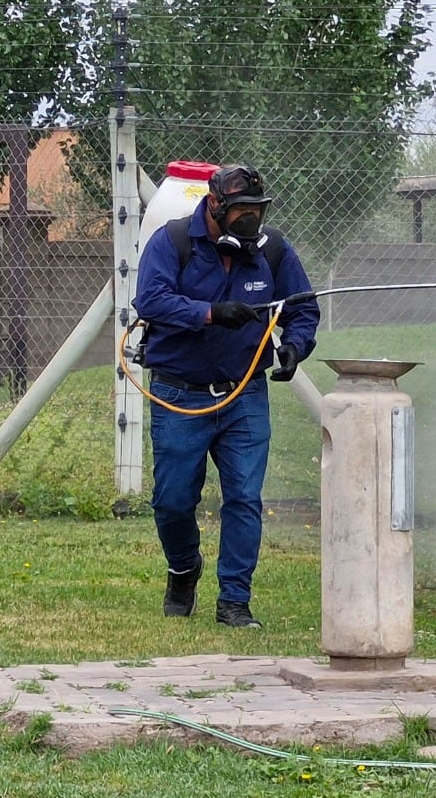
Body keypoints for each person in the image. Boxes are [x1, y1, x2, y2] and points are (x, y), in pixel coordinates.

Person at [132, 163, 320, 628]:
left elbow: (303, 308)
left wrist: (296, 346)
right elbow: (150, 300)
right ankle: (183, 568)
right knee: (172, 501)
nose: (250, 219)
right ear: (214, 205)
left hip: (245, 396)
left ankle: (234, 600)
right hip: (181, 394)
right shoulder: (172, 242)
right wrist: (211, 313)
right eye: (241, 210)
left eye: (257, 210)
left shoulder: (274, 251)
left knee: (244, 498)